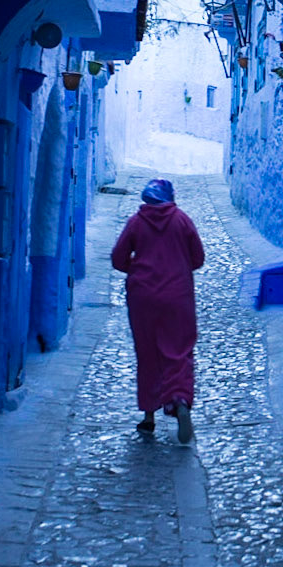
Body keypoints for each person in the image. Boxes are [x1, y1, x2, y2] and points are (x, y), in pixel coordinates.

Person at [110, 178, 206, 441]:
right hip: (178, 297)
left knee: (148, 353)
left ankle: (149, 417)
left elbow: (118, 259)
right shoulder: (182, 220)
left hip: (143, 298)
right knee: (179, 351)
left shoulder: (136, 223)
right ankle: (180, 401)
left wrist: (141, 269)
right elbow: (198, 258)